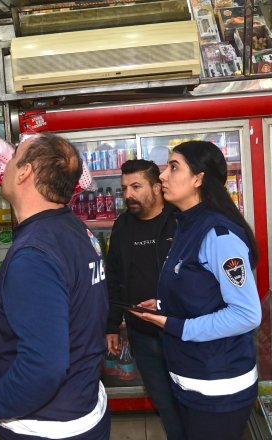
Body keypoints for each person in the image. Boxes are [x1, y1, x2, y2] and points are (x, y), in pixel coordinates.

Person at [0, 133, 111, 440]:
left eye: (14, 157)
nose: (5, 164)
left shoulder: (34, 255)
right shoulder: (74, 229)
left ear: (24, 172)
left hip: (45, 428)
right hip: (82, 405)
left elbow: (45, 366)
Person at [131, 141, 263, 440]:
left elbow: (246, 314)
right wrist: (165, 305)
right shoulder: (186, 225)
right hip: (192, 377)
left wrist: (176, 324)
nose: (163, 176)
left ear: (199, 179)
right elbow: (200, 291)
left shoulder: (220, 235)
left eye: (173, 167)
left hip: (218, 386)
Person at [104, 159, 184, 440]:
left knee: (189, 403)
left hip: (182, 332)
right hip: (142, 335)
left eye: (136, 187)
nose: (128, 195)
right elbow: (113, 276)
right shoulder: (123, 225)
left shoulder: (180, 220)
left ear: (157, 186)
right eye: (124, 188)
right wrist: (112, 324)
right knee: (165, 404)